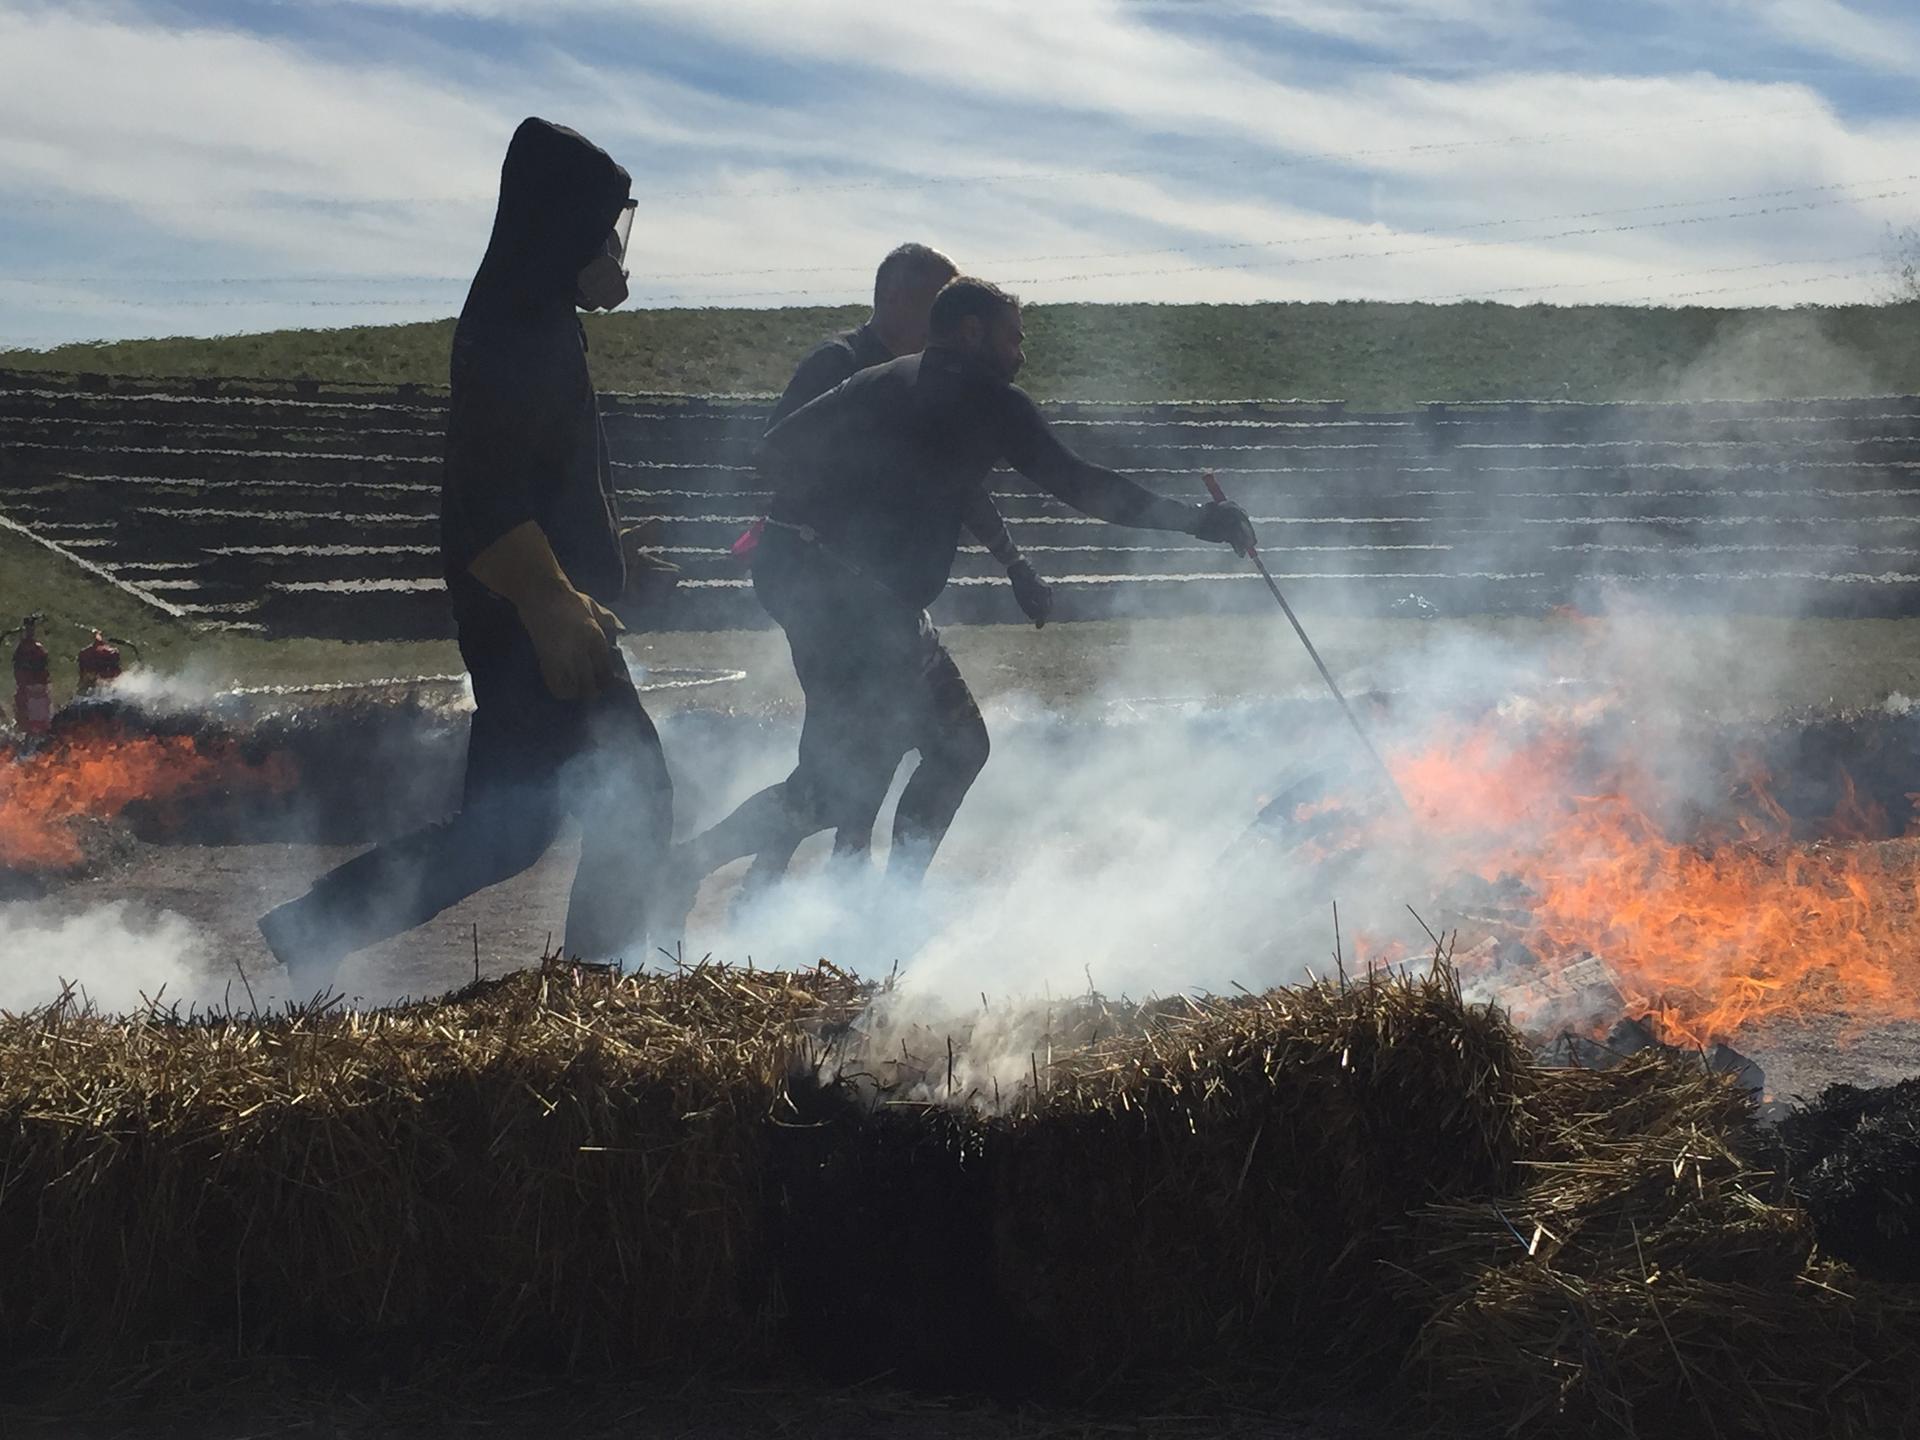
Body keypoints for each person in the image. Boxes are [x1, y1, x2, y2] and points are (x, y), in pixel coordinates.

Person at [668, 276, 1254, 908]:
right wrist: (1199, 521)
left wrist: (862, 499)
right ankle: (698, 872)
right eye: (1014, 338)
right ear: (972, 332)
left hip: (840, 593)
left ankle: (877, 910)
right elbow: (1080, 485)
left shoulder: (885, 380)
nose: (1021, 355)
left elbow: (773, 449)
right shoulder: (988, 399)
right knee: (855, 780)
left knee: (942, 749)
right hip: (850, 602)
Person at [257, 117, 675, 990]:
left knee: (506, 833)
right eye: (602, 221)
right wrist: (555, 599)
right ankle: (598, 991)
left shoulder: (534, 311)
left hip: (536, 607)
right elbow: (486, 490)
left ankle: (310, 930)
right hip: (534, 617)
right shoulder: (520, 319)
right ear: (562, 220)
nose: (613, 243)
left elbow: (537, 473)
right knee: (637, 796)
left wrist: (600, 552)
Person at [730, 244, 1050, 902]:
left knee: (861, 756)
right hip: (829, 595)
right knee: (850, 761)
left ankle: (831, 887)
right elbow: (777, 456)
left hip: (887, 599)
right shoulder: (842, 364)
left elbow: (963, 486)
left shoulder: (935, 381)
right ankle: (781, 883)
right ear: (898, 300)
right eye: (935, 308)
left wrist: (1014, 562)